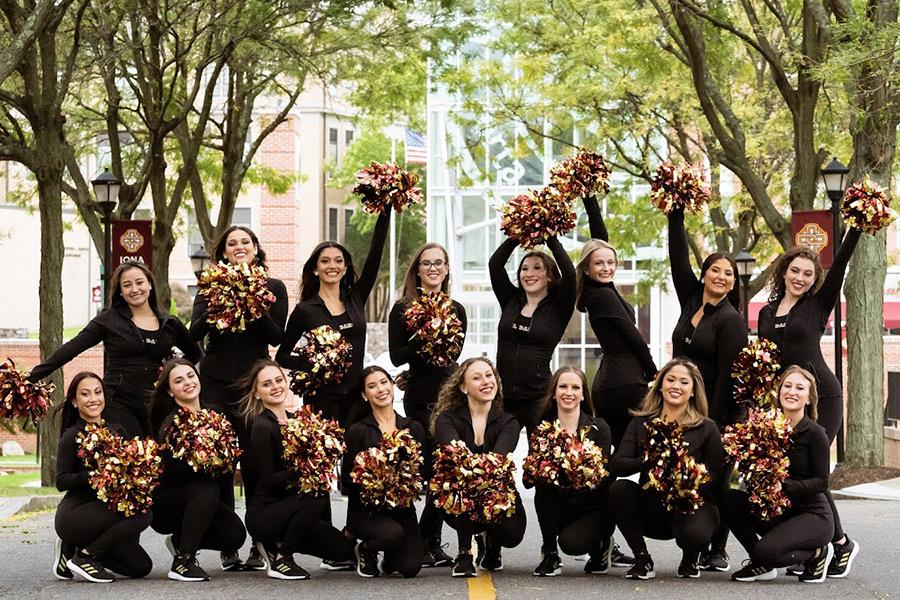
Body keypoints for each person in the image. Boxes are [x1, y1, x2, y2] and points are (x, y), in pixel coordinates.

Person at [758, 232, 863, 577]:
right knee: (792, 471)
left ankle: (841, 543)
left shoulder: (817, 305)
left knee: (811, 470)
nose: (800, 278)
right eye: (795, 271)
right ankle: (813, 547)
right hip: (788, 401)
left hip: (822, 397)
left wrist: (855, 226)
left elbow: (840, 264)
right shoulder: (766, 313)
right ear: (784, 271)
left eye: (808, 274)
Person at [189, 226, 288, 570]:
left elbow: (276, 336)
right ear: (223, 253)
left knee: (257, 460)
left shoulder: (273, 287)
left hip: (253, 385)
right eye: (232, 243)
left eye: (245, 241)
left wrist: (251, 299)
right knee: (220, 463)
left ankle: (261, 540)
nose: (239, 246)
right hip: (215, 382)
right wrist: (218, 301)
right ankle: (227, 542)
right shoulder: (209, 286)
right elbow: (193, 333)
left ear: (256, 248)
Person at [30, 263, 201, 437]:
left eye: (139, 282)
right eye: (127, 285)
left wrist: (170, 372)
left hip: (155, 404)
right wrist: (30, 377)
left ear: (149, 284)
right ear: (120, 291)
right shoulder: (108, 320)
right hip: (118, 402)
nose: (134, 289)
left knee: (157, 451)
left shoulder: (170, 323)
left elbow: (195, 354)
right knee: (129, 449)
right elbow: (71, 349)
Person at [667, 207, 748, 570]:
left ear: (733, 283)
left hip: (719, 411)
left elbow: (730, 377)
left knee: (718, 478)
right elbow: (677, 259)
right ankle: (693, 539)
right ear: (704, 274)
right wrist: (676, 214)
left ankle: (718, 548)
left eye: (728, 273)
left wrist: (710, 423)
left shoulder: (732, 321)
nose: (721, 276)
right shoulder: (691, 301)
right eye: (715, 269)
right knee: (688, 475)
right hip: (684, 406)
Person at [239, 360, 356, 580]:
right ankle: (282, 558)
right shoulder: (262, 426)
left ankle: (276, 543)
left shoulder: (297, 420)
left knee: (344, 551)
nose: (275, 386)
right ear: (256, 393)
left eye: (278, 380)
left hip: (295, 511)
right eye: (266, 384)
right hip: (266, 514)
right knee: (315, 496)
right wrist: (307, 469)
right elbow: (268, 480)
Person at [608, 358, 724, 580]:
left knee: (695, 535)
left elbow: (717, 474)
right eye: (670, 380)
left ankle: (691, 557)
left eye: (684, 382)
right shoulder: (641, 422)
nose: (676, 386)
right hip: (653, 507)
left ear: (693, 391)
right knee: (619, 489)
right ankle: (642, 558)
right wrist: (649, 459)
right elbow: (617, 464)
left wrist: (690, 480)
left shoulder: (706, 427)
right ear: (660, 385)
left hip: (689, 507)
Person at [388, 242, 466, 567]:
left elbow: (452, 356)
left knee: (447, 469)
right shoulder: (402, 310)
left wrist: (439, 330)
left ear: (446, 269)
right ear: (417, 271)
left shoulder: (457, 309)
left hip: (449, 400)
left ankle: (428, 541)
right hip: (419, 400)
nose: (433, 268)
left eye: (438, 263)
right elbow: (397, 356)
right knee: (433, 471)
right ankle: (423, 541)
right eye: (426, 263)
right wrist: (425, 335)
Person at [277, 208, 390, 427]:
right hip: (321, 399)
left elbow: (376, 253)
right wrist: (315, 363)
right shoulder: (305, 310)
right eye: (325, 261)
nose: (332, 266)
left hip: (357, 398)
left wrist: (385, 208)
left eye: (338, 261)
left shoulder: (356, 298)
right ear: (316, 269)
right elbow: (282, 356)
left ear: (345, 268)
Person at [724, 366, 837, 583]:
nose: (792, 392)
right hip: (776, 510)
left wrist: (784, 486)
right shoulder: (763, 426)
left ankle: (818, 553)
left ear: (809, 398)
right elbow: (742, 468)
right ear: (779, 391)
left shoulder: (815, 434)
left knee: (766, 551)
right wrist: (737, 485)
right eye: (787, 386)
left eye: (799, 388)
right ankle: (760, 563)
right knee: (729, 495)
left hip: (811, 515)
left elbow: (821, 482)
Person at [149, 359, 247, 582]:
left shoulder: (216, 413)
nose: (187, 382)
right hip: (168, 504)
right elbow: (165, 476)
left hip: (204, 499)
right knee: (205, 487)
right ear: (170, 390)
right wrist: (200, 463)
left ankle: (180, 541)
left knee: (234, 535)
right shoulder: (171, 423)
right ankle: (183, 561)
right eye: (178, 380)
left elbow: (225, 472)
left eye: (191, 376)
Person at [53, 372, 153, 583]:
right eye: (85, 394)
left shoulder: (118, 431)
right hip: (76, 515)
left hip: (107, 514)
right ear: (74, 401)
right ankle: (84, 556)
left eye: (98, 392)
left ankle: (73, 549)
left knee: (140, 567)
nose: (93, 399)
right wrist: (96, 475)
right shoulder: (72, 435)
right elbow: (61, 481)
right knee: (142, 514)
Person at [431, 357, 526, 578]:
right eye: (477, 377)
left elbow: (496, 462)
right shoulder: (446, 420)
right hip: (459, 497)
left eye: (489, 375)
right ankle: (464, 553)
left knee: (512, 535)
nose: (486, 381)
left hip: (496, 492)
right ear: (463, 387)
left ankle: (491, 542)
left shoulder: (509, 422)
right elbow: (457, 460)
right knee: (461, 477)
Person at [577, 197, 658, 447]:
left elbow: (600, 241)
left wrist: (590, 199)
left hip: (613, 381)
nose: (606, 267)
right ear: (587, 268)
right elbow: (633, 336)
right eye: (599, 263)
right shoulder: (602, 296)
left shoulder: (600, 291)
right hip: (624, 383)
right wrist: (654, 373)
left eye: (610, 262)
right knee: (640, 448)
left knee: (621, 449)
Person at [529, 366, 615, 577]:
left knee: (571, 544)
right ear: (554, 393)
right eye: (563, 387)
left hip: (591, 506)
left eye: (575, 387)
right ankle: (550, 553)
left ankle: (602, 545)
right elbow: (530, 479)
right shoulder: (542, 427)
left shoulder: (600, 428)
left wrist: (573, 467)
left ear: (583, 395)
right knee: (544, 484)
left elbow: (603, 476)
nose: (569, 393)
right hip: (557, 504)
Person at [342, 366, 426, 578]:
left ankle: (390, 556)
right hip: (367, 511)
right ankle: (365, 549)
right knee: (391, 535)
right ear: (364, 395)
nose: (380, 389)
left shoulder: (413, 428)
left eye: (384, 382)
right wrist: (377, 482)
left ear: (392, 385)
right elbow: (347, 480)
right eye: (372, 386)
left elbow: (423, 472)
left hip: (403, 510)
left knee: (410, 568)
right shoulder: (357, 431)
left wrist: (402, 480)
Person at [489, 234, 576, 435]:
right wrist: (517, 234)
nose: (529, 273)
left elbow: (570, 275)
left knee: (540, 453)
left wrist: (551, 238)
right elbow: (495, 265)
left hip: (539, 399)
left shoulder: (559, 308)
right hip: (503, 397)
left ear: (550, 276)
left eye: (537, 268)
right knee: (496, 450)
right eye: (525, 268)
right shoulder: (511, 299)